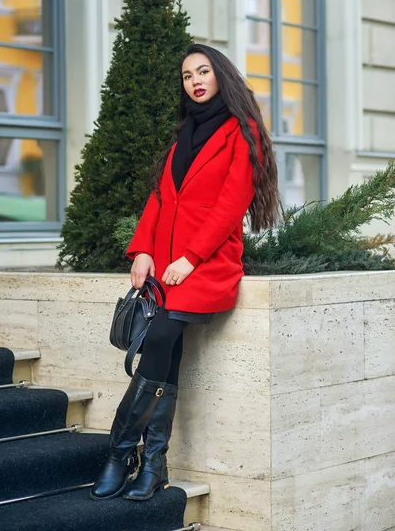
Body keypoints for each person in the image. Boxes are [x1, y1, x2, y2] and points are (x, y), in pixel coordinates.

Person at [90, 43, 279, 502]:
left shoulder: (242, 130)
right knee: (165, 358)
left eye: (203, 71)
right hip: (164, 269)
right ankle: (153, 465)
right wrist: (142, 252)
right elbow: (160, 199)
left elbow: (232, 203)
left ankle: (119, 455)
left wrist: (190, 257)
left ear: (221, 77)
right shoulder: (182, 136)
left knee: (156, 343)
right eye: (187, 75)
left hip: (205, 265)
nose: (195, 80)